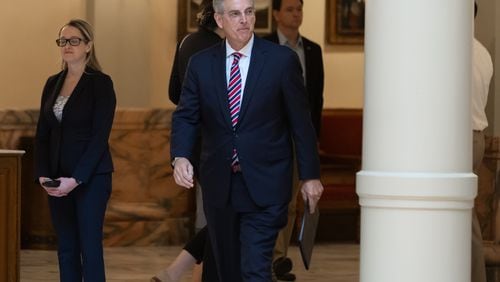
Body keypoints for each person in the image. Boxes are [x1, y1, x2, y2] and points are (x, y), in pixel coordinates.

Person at [170, 0, 324, 281]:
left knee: (254, 268)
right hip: (220, 184)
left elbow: (301, 123)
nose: (244, 20)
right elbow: (186, 116)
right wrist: (180, 155)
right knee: (226, 270)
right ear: (219, 19)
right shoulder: (201, 64)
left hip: (267, 183)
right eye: (235, 14)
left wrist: (310, 176)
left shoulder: (281, 61)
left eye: (249, 12)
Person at [34, 19, 116, 282]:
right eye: (63, 41)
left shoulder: (101, 83)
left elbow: (99, 138)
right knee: (66, 248)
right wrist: (43, 174)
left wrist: (77, 178)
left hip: (91, 177)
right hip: (58, 177)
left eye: (74, 40)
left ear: (88, 45)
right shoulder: (52, 82)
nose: (67, 46)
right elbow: (42, 134)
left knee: (89, 248)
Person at [152, 1, 223, 281]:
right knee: (228, 214)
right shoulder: (222, 48)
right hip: (218, 144)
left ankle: (180, 271)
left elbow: (174, 92)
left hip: (192, 142)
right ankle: (183, 271)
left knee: (221, 213)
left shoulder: (187, 42)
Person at [264, 1, 324, 279]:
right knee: (271, 199)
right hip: (269, 137)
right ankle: (266, 258)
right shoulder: (262, 46)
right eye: (289, 9)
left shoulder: (312, 51)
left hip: (300, 138)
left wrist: (314, 141)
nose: (296, 14)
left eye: (299, 8)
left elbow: (316, 101)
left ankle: (279, 259)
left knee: (290, 203)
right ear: (276, 14)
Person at [471, 3, 493, 282]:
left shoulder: (460, 50)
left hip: (461, 137)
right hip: (475, 137)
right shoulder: (481, 51)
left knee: (464, 216)